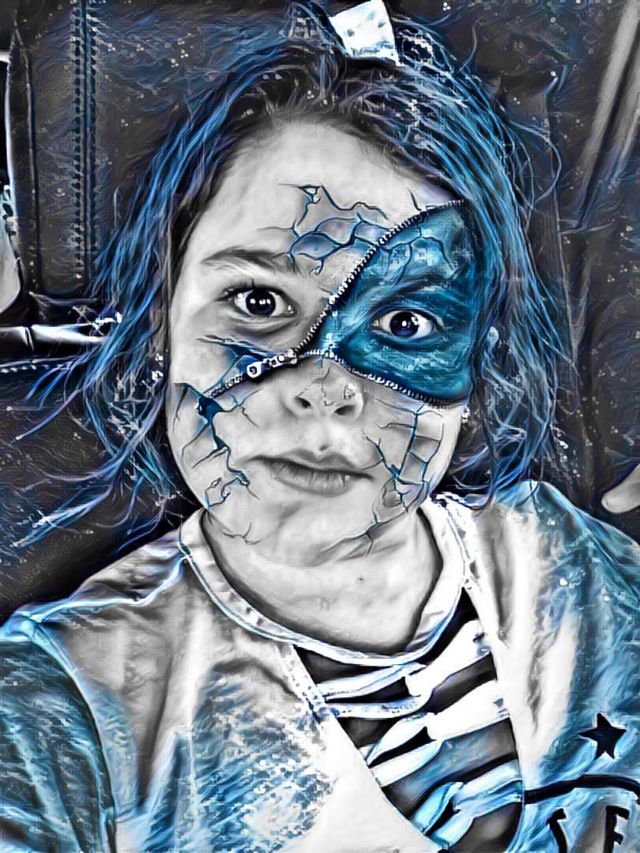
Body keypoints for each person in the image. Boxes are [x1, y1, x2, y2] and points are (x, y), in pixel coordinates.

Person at [1, 2, 638, 850]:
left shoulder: (580, 568)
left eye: (405, 323)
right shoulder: (64, 708)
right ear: (162, 323)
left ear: (479, 354)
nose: (323, 388)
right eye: (259, 302)